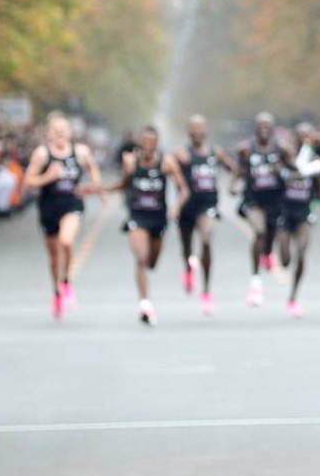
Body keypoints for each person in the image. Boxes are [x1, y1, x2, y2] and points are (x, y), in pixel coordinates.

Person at [21, 112, 105, 320]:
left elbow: (93, 169)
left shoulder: (80, 152)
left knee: (66, 242)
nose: (59, 134)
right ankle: (57, 292)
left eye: (63, 130)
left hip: (72, 204)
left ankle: (66, 281)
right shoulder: (42, 154)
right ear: (49, 134)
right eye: (55, 130)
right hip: (49, 207)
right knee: (54, 256)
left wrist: (97, 188)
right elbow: (28, 180)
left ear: (70, 132)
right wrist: (47, 177)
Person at [110, 127, 187, 325]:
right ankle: (145, 304)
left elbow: (183, 189)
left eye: (152, 142)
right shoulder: (131, 162)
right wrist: (98, 190)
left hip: (158, 218)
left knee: (152, 262)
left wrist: (176, 207)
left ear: (157, 143)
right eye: (144, 142)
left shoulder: (166, 162)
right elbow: (123, 184)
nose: (148, 146)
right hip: (137, 216)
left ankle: (146, 295)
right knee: (141, 259)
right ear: (139, 143)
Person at [174, 115, 234, 315]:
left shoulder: (215, 153)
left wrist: (237, 176)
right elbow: (165, 170)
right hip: (187, 207)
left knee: (207, 239)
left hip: (207, 205)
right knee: (186, 248)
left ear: (206, 131)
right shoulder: (181, 155)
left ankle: (207, 292)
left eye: (201, 128)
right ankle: (188, 268)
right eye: (194, 129)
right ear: (188, 132)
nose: (198, 132)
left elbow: (233, 168)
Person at [236, 112, 290, 307]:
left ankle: (267, 253)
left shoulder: (282, 149)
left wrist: (281, 172)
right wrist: (233, 184)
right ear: (255, 128)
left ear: (273, 129)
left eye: (268, 125)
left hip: (275, 201)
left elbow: (295, 171)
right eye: (261, 125)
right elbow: (239, 170)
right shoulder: (246, 150)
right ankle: (255, 281)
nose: (264, 129)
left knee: (269, 234)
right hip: (253, 201)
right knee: (259, 232)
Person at [276, 137, 320, 319]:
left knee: (302, 252)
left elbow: (318, 188)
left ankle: (293, 298)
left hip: (304, 213)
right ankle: (282, 259)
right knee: (286, 260)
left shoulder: (313, 163)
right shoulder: (281, 161)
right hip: (285, 212)